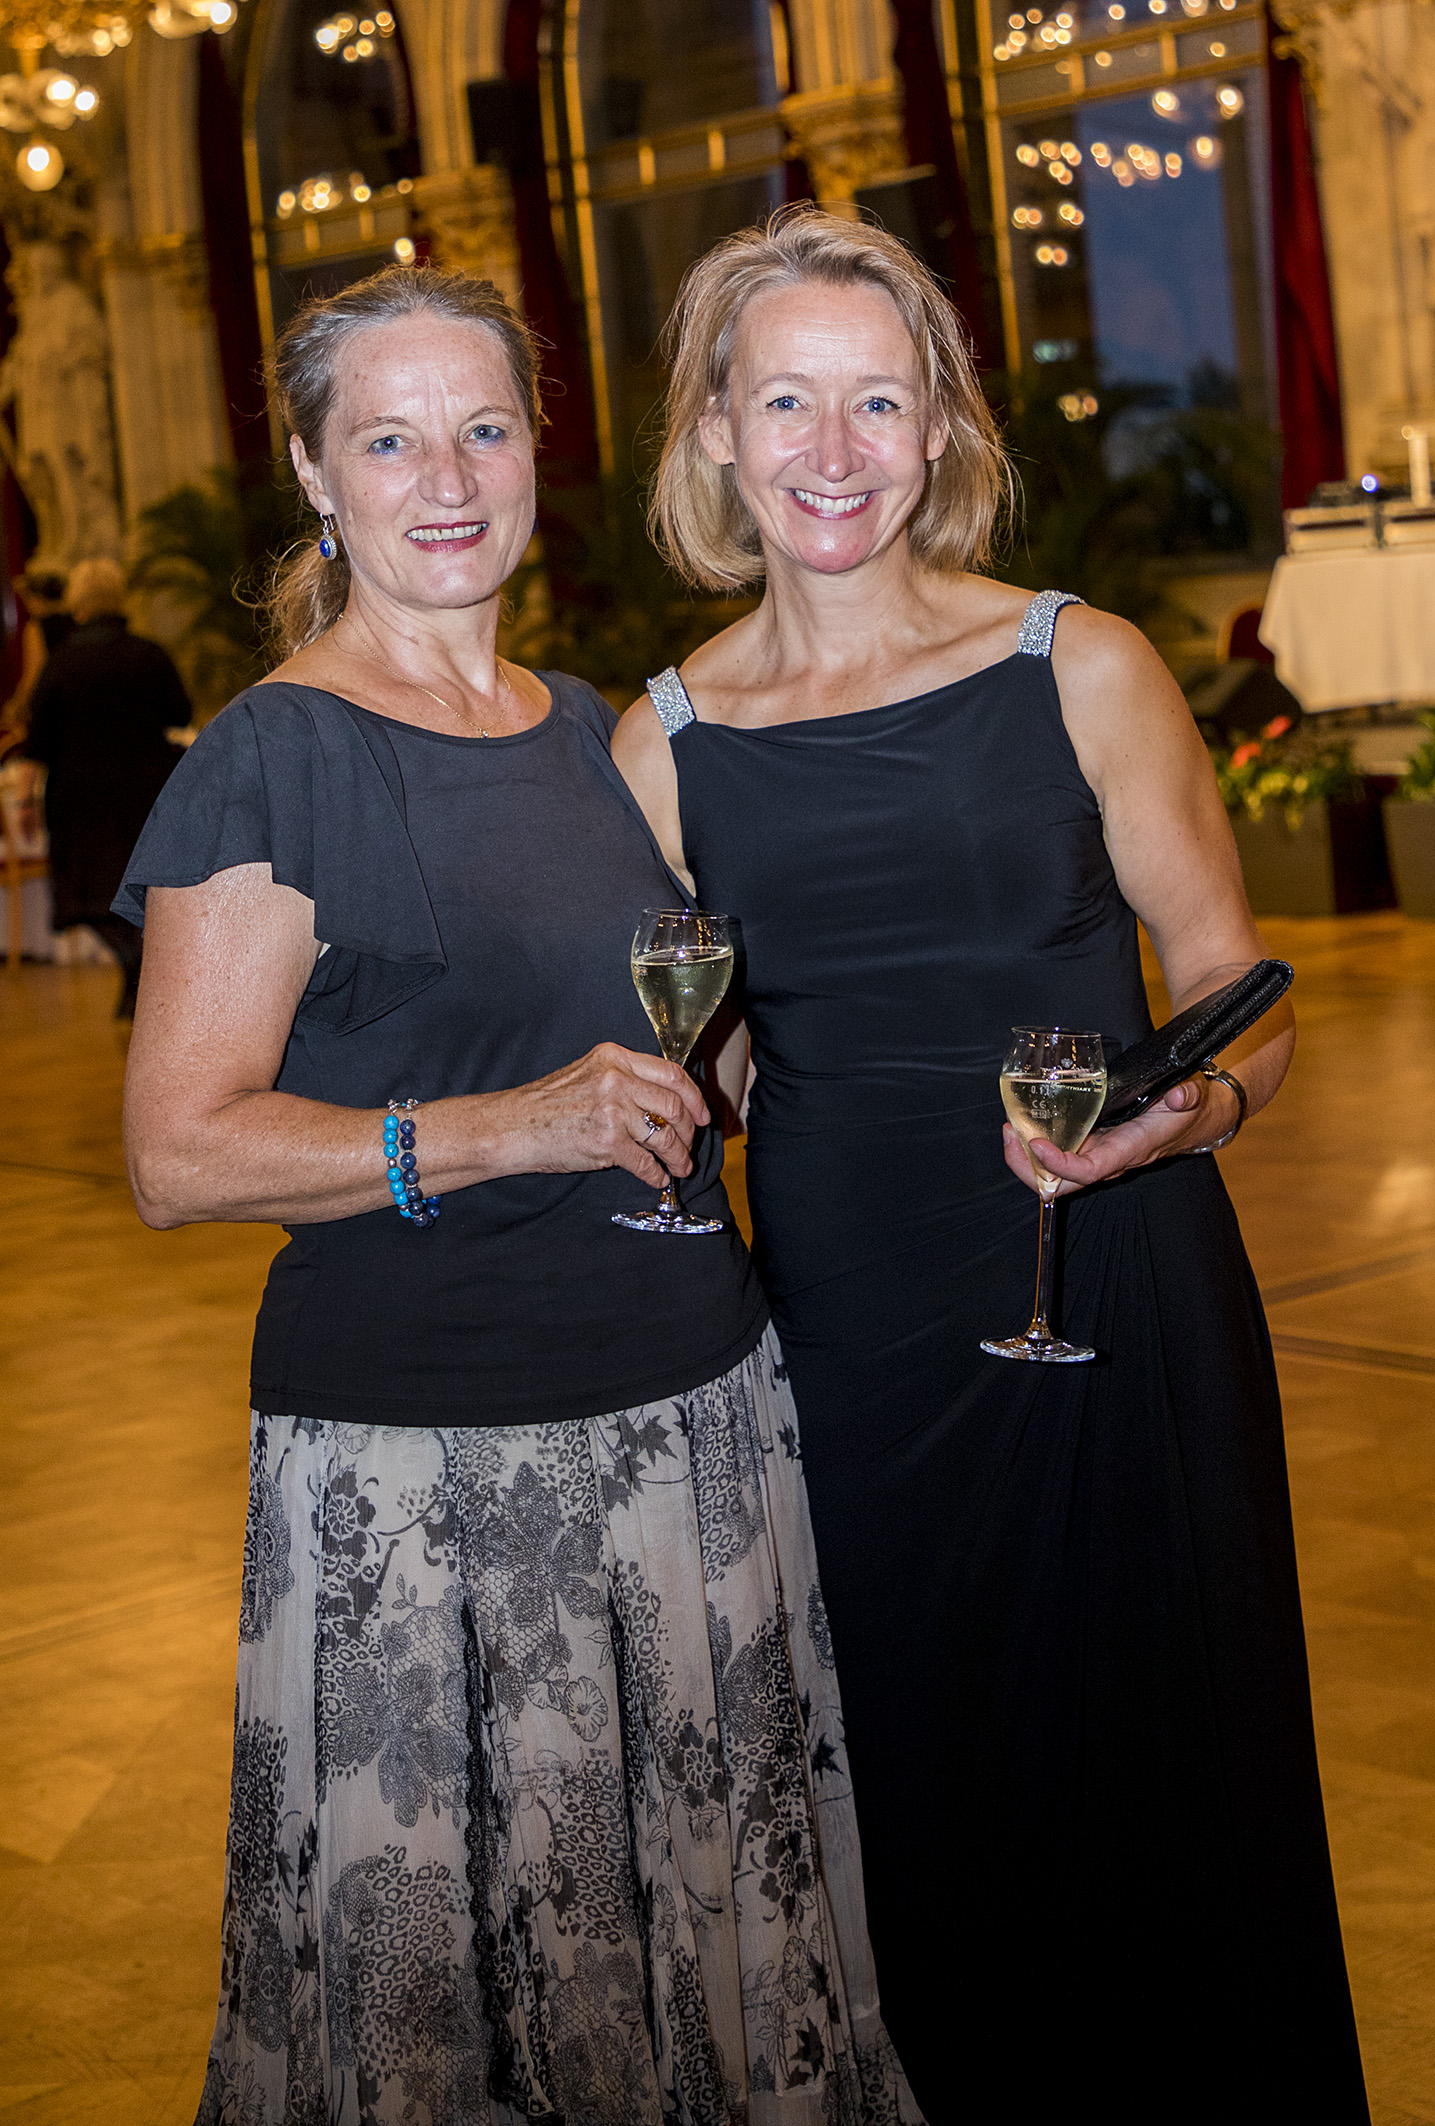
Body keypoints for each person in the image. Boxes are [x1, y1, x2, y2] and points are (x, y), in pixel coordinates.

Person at [116, 264, 920, 2126]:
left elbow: (665, 1045)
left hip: (693, 1422)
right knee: (482, 1996)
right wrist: (501, 1128)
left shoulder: (576, 725)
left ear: (537, 449)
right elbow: (176, 1153)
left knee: (703, 1944)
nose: (447, 477)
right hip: (438, 1471)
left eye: (483, 428)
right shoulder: (277, 755)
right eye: (390, 440)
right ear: (315, 475)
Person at [614, 208, 1370, 2123]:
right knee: (922, 1780)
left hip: (1115, 1286)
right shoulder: (665, 744)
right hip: (853, 1325)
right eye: (787, 400)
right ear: (716, 432)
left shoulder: (1077, 665)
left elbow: (1243, 994)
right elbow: (697, 1058)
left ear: (942, 426)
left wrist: (1191, 1115)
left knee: (1169, 1764)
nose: (834, 448)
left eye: (880, 400)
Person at [24, 557, 184, 1013]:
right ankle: (137, 966)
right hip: (144, 794)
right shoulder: (149, 654)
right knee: (139, 890)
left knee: (88, 897)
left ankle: (132, 963)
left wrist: (30, 798)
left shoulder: (61, 663)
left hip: (80, 800)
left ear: (78, 602)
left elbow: (39, 740)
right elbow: (179, 711)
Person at [2, 564, 73, 738]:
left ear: (37, 598)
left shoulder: (36, 628)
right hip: (73, 701)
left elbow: (34, 673)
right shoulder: (76, 622)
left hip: (51, 703)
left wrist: (16, 706)